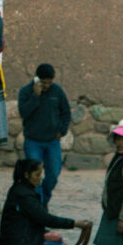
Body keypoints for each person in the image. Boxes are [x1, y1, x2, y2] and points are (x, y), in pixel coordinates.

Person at [16, 62, 71, 204]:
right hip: (33, 141)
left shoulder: (57, 91)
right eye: (43, 83)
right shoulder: (25, 91)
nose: (46, 86)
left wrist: (62, 130)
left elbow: (66, 112)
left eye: (49, 83)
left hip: (52, 141)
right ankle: (38, 205)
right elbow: (24, 113)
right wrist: (35, 96)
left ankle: (42, 200)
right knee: (34, 176)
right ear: (37, 79)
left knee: (53, 174)